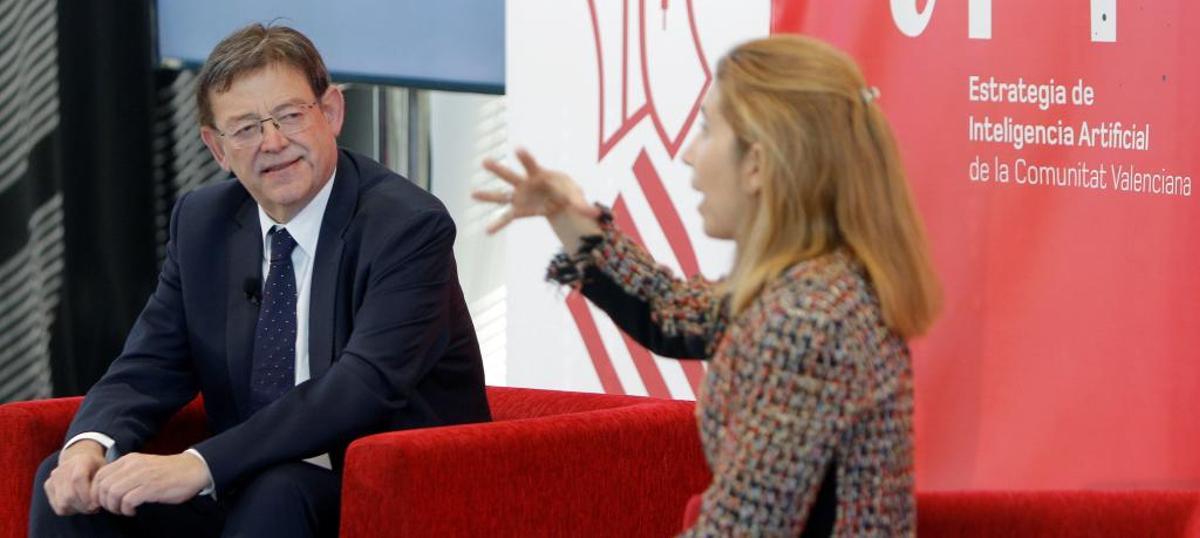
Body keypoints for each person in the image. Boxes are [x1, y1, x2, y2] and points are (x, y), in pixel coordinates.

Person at [31, 23, 490, 537]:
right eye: (246, 128)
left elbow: (363, 386)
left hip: (380, 492)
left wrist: (199, 464)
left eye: (291, 116)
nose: (273, 142)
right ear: (217, 148)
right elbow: (149, 364)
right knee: (74, 490)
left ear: (331, 112)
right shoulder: (202, 222)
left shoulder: (406, 226)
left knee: (279, 489)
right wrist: (90, 444)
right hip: (241, 481)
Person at [476, 34, 939, 536]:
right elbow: (671, 313)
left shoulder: (802, 320)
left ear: (757, 164)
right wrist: (567, 214)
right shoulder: (817, 284)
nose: (689, 154)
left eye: (706, 129)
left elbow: (745, 526)